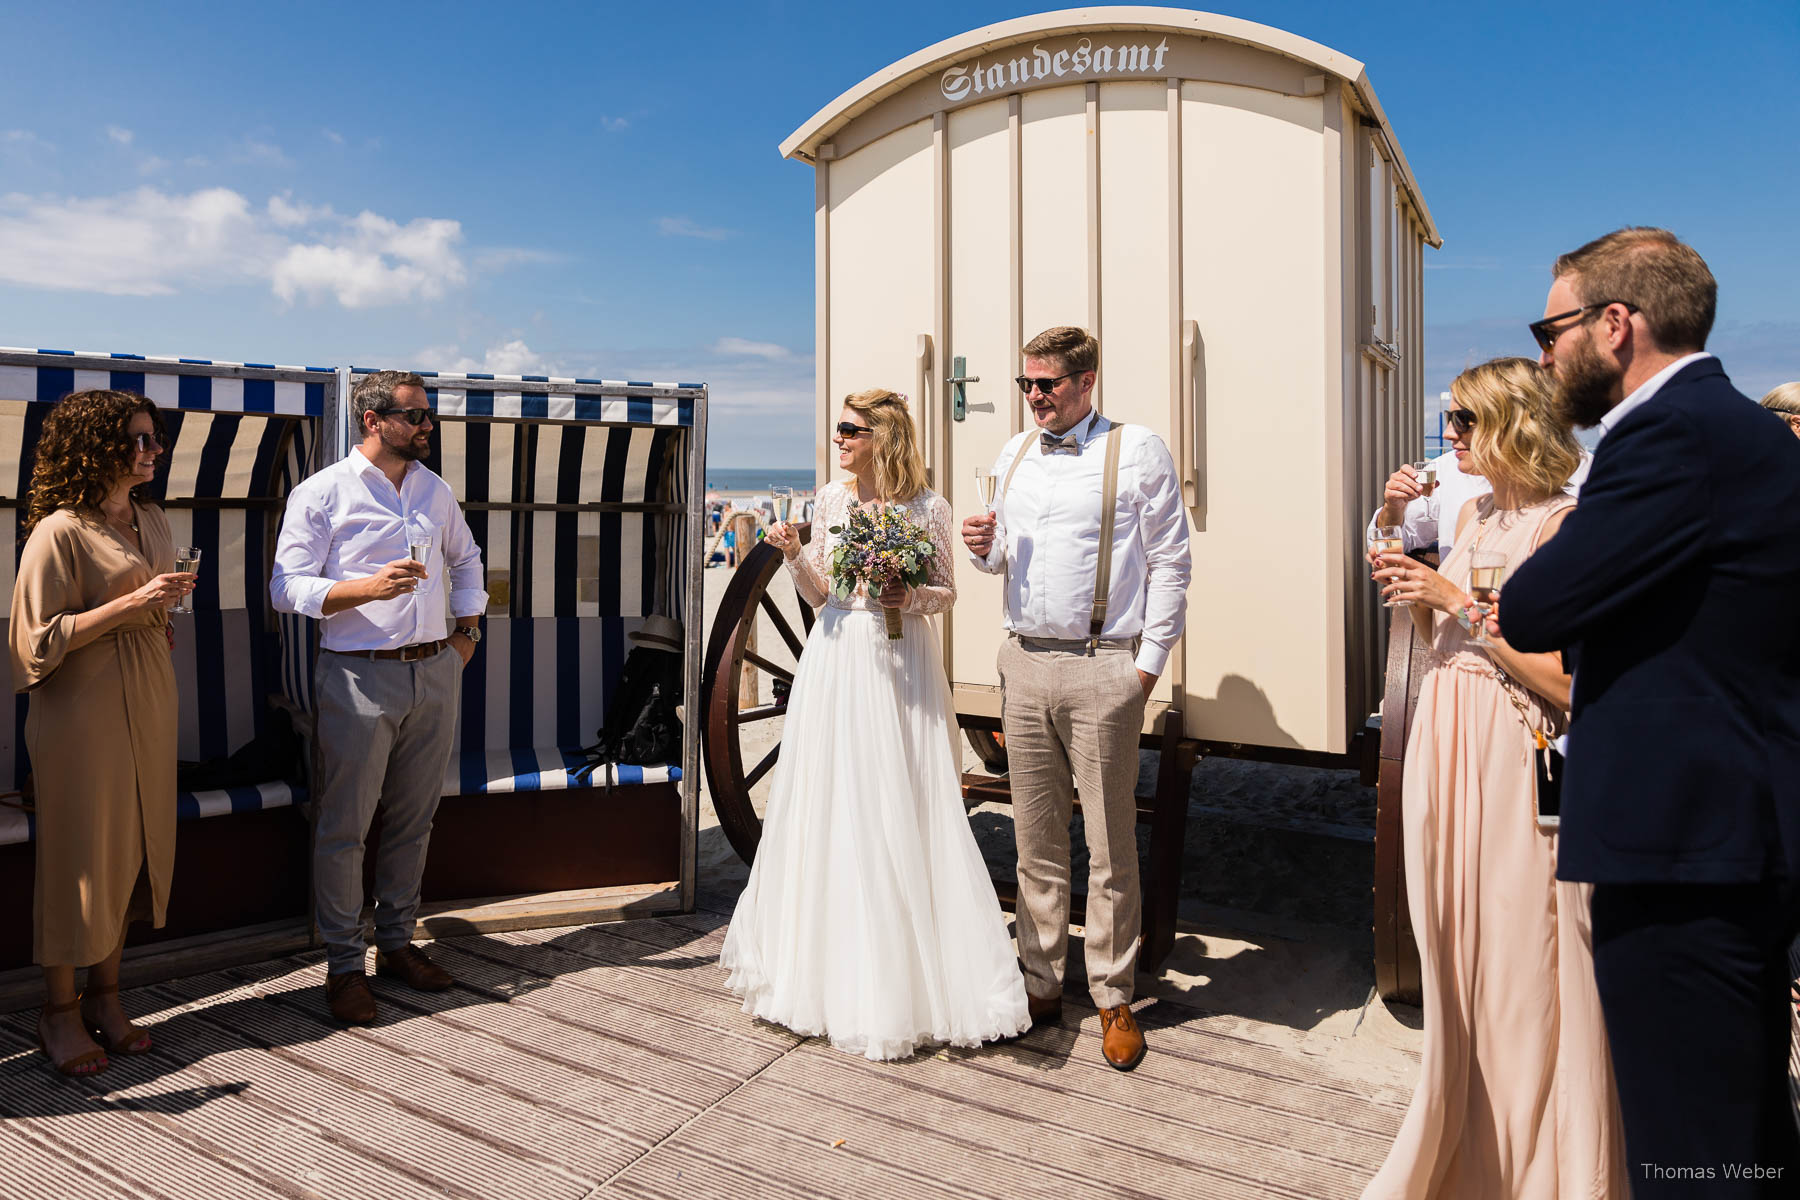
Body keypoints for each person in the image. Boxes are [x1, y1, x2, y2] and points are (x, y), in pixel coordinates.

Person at [1500, 228, 1800, 1193]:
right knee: (1746, 1127)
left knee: (1690, 1150)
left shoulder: (1670, 434)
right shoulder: (1742, 431)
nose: (1544, 354)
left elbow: (1536, 605)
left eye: (1552, 328)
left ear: (1616, 325)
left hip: (1683, 848)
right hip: (1736, 834)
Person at [1363, 359, 1625, 1198]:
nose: (1450, 436)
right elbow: (1432, 622)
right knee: (1452, 944)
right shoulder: (1470, 509)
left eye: (1464, 421)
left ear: (1511, 424)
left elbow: (1564, 684)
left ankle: (1528, 1155)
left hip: (1515, 754)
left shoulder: (1565, 528)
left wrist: (1450, 597)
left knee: (1520, 953)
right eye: (1450, 420)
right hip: (1446, 736)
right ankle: (1464, 1125)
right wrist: (1396, 527)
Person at [719, 388, 1029, 1059]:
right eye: (839, 428)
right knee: (834, 800)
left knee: (901, 798)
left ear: (882, 437)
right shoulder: (832, 499)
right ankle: (824, 974)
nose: (838, 439)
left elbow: (945, 592)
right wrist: (797, 553)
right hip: (837, 657)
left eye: (849, 430)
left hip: (901, 660)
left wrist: (908, 594)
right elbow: (824, 593)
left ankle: (909, 978)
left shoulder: (930, 508)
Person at [961, 326, 1192, 1071]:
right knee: (1036, 839)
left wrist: (1145, 671)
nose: (1032, 397)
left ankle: (1113, 995)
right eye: (1026, 383)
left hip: (1104, 669)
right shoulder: (1015, 453)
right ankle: (1039, 984)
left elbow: (1171, 563)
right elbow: (1003, 559)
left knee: (1110, 842)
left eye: (1046, 385)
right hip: (1024, 662)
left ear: (1086, 382)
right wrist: (980, 544)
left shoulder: (1138, 450)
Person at [271, 370, 487, 1025]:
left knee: (413, 822)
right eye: (415, 417)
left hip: (434, 673)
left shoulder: (435, 490)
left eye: (429, 417)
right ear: (372, 419)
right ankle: (344, 968)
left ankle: (395, 944)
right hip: (358, 676)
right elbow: (285, 588)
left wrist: (467, 631)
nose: (428, 427)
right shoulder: (322, 494)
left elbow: (468, 559)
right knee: (344, 830)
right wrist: (364, 590)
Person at [9, 389, 195, 1076]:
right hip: (80, 713)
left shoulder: (153, 518)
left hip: (148, 697)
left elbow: (148, 610)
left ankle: (107, 997)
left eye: (155, 438)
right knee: (79, 855)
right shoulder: (59, 530)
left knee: (133, 846)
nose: (154, 450)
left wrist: (161, 611)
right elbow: (32, 646)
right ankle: (57, 1011)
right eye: (140, 439)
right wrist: (133, 603)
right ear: (98, 446)